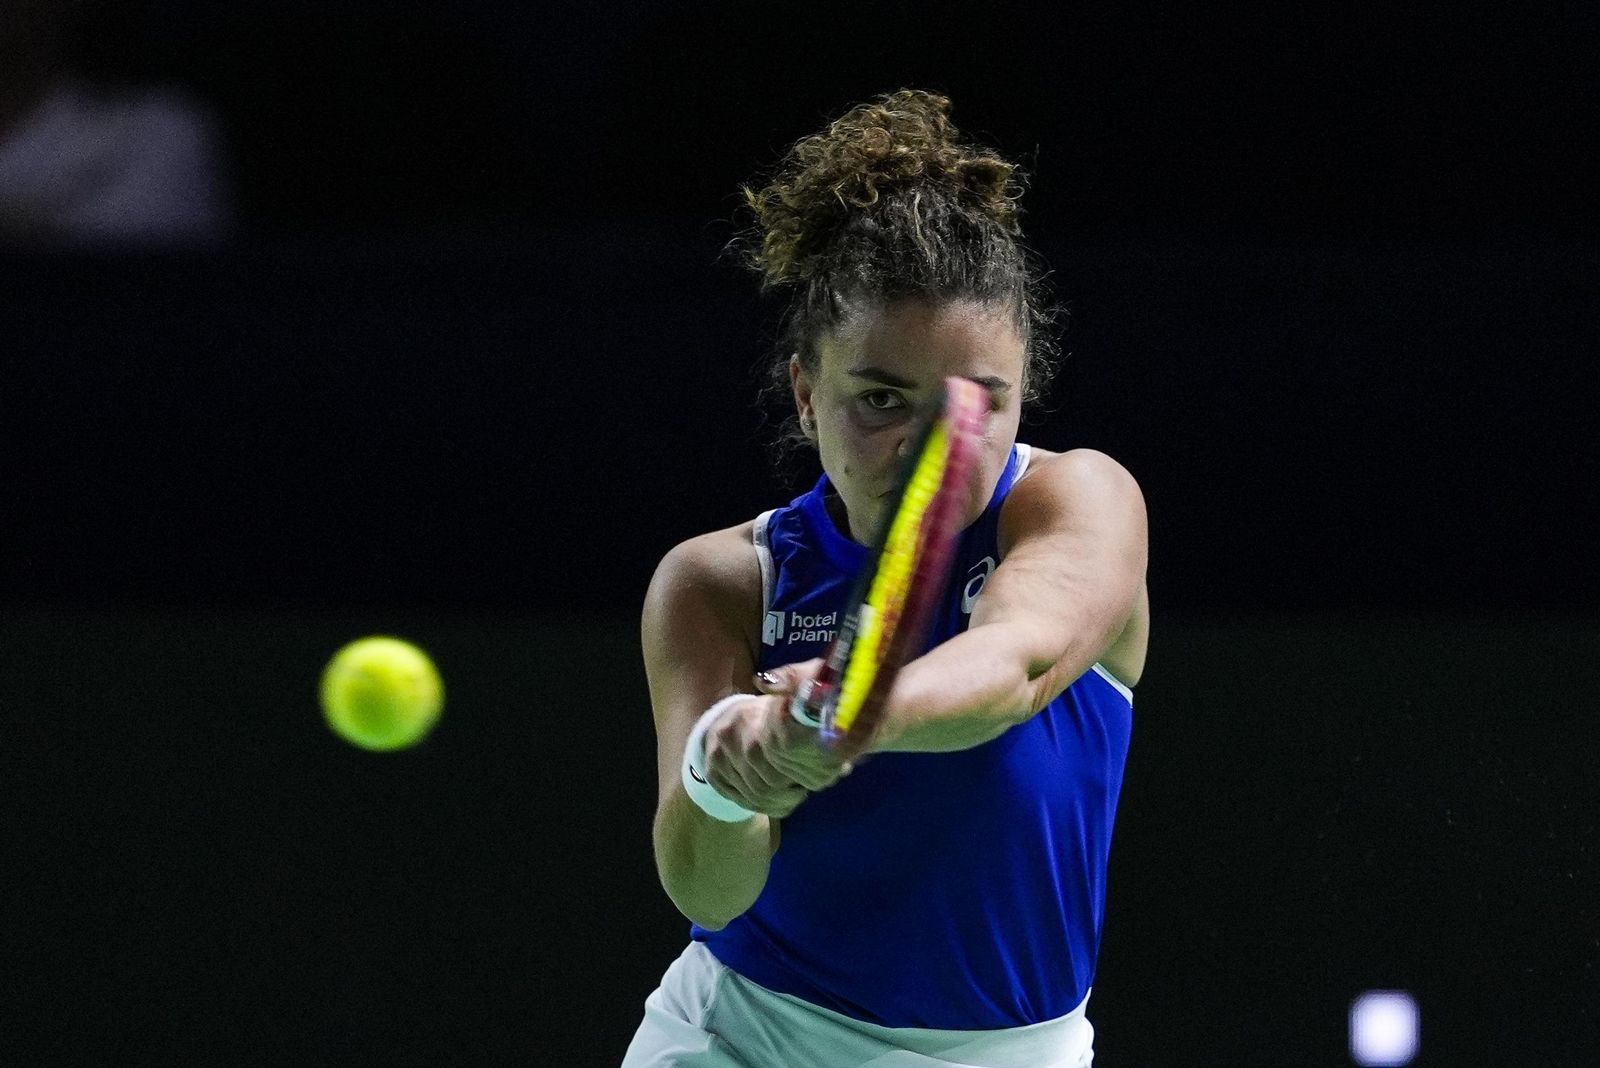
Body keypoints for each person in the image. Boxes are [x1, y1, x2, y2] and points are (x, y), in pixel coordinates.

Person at [624, 88, 1148, 1068]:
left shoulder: (1079, 502)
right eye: (877, 399)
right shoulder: (718, 581)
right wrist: (727, 773)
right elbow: (706, 891)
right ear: (804, 389)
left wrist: (848, 710)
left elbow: (1013, 666)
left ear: (1022, 387)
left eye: (975, 405)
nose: (925, 450)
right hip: (743, 1035)